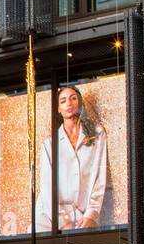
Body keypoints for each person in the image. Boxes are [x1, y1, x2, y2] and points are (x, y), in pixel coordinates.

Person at [35, 84, 108, 232]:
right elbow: (47, 186)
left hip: (83, 218)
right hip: (49, 219)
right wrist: (61, 221)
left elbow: (100, 178)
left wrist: (91, 214)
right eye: (63, 101)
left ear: (79, 103)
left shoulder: (97, 135)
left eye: (73, 98)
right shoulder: (49, 144)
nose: (68, 103)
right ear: (58, 109)